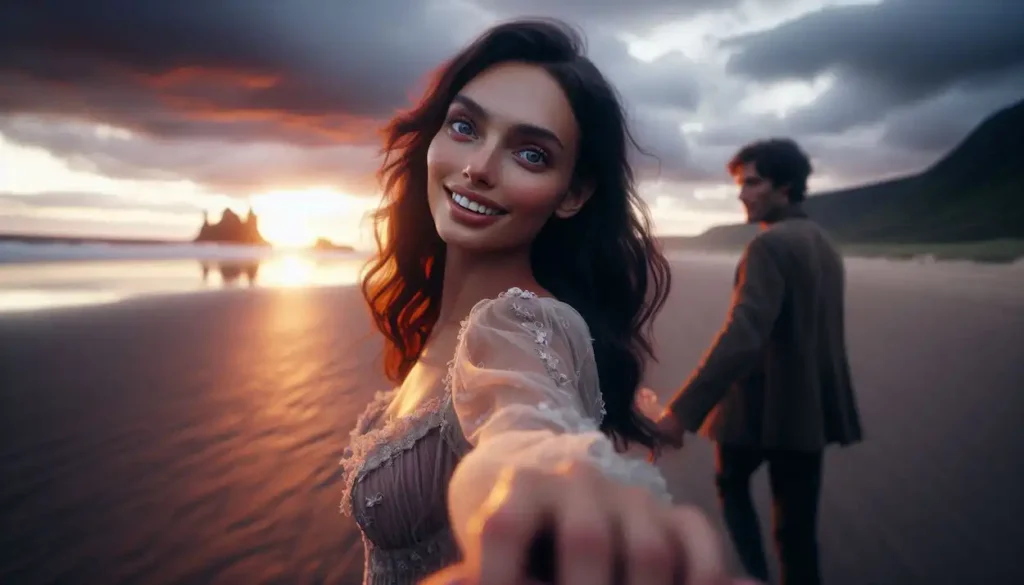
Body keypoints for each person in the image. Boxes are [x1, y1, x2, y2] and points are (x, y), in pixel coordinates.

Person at [338, 17, 745, 585]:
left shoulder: (519, 323)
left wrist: (558, 473)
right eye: (464, 126)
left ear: (573, 194)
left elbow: (527, 427)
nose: (478, 167)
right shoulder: (446, 321)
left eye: (530, 154)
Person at [655, 138, 864, 585]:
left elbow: (744, 335)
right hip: (808, 414)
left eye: (752, 183)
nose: (742, 194)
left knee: (731, 485)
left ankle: (752, 576)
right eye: (740, 184)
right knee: (798, 534)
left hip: (758, 411)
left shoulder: (769, 247)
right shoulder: (823, 244)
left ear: (783, 186)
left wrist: (681, 413)